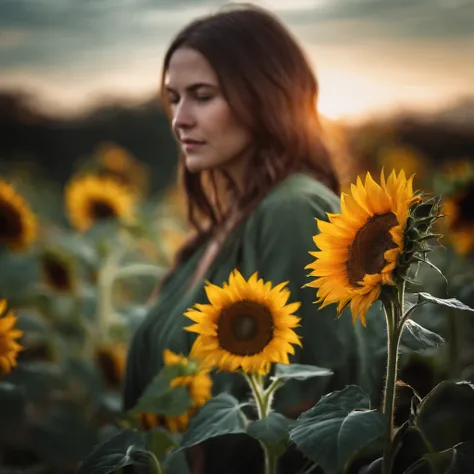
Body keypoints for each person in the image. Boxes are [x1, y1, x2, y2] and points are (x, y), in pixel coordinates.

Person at [123, 4, 385, 473]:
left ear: (264, 97)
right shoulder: (217, 232)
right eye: (174, 98)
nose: (179, 119)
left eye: (202, 96)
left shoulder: (292, 211)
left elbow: (314, 406)